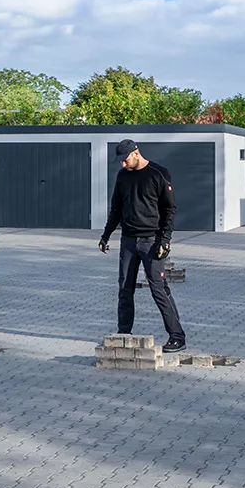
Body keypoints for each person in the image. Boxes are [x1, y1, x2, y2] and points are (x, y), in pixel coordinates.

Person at [99, 139, 187, 353]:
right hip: (128, 240)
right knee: (124, 288)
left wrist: (165, 240)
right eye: (120, 161)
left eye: (125, 159)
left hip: (152, 241)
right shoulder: (122, 177)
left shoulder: (158, 173)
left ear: (136, 153)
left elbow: (169, 209)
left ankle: (177, 337)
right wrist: (106, 235)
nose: (123, 164)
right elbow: (116, 209)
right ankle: (123, 333)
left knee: (158, 289)